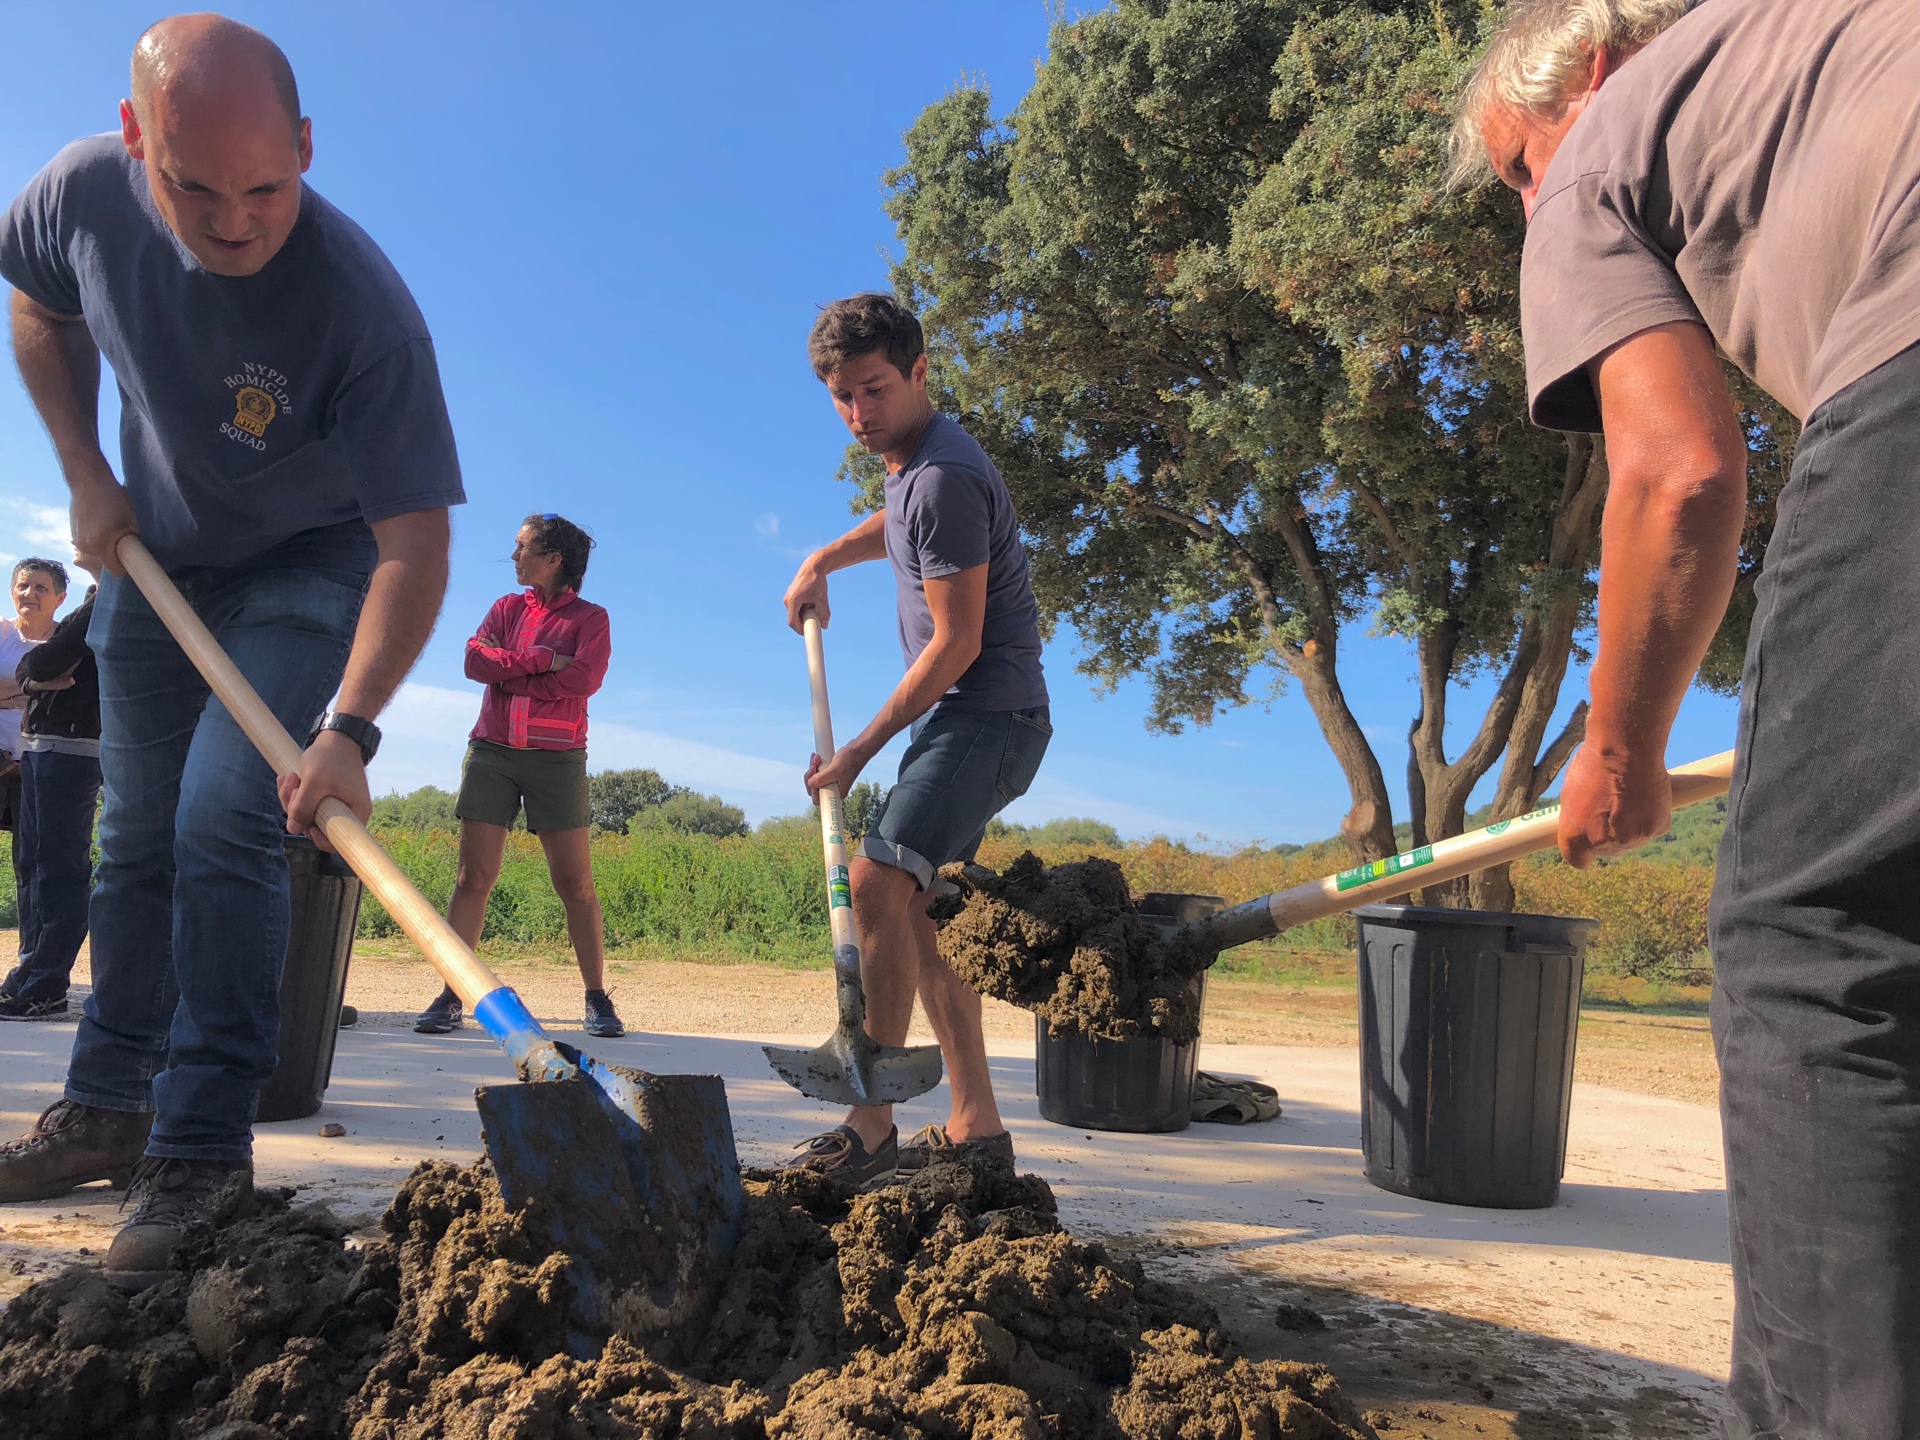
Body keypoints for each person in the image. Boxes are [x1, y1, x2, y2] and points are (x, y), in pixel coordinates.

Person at [1455, 0, 1920, 1433]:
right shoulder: (1817, 37)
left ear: (1584, 77)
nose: (1528, 204)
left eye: (1514, 169)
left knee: (1818, 945)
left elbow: (1677, 472)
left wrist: (1619, 747)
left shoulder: (1606, 148)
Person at [0, 15, 463, 1289]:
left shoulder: (362, 312)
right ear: (140, 140)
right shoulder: (81, 192)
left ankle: (201, 1152)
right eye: (194, 186)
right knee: (130, 828)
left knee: (221, 811)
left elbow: (415, 547)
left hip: (312, 562)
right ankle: (105, 1107)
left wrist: (350, 731)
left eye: (267, 186)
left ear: (306, 147)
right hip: (159, 556)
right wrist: (86, 468)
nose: (235, 219)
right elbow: (38, 306)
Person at [780, 292, 1051, 1186]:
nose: (859, 414)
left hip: (989, 717)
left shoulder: (940, 476)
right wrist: (823, 558)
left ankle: (870, 1126)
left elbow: (957, 644)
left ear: (920, 371)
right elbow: (891, 526)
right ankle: (977, 1127)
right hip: (966, 721)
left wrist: (855, 752)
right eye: (842, 397)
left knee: (875, 879)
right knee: (927, 917)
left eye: (875, 390)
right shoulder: (911, 468)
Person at [412, 514, 620, 1039]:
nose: (513, 555)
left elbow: (585, 679)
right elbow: (474, 662)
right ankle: (453, 994)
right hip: (491, 754)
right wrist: (542, 661)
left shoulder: (592, 619)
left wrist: (517, 676)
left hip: (559, 759)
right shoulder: (505, 608)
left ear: (553, 560)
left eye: (522, 547)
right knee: (472, 878)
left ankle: (597, 999)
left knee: (575, 882)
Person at [0, 554, 102, 1021]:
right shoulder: (94, 602)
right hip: (48, 747)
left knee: (58, 868)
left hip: (73, 749)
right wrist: (32, 679)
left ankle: (46, 984)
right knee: (36, 863)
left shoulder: (107, 599)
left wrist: (31, 676)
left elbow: (43, 660)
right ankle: (30, 973)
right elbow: (33, 669)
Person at [0, 560, 61, 838]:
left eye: (41, 587)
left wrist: (9, 692)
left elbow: (69, 696)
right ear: (12, 592)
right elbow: (53, 694)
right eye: (22, 586)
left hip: (39, 763)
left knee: (31, 855)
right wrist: (40, 686)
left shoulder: (67, 641)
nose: (29, 593)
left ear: (60, 598)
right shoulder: (3, 632)